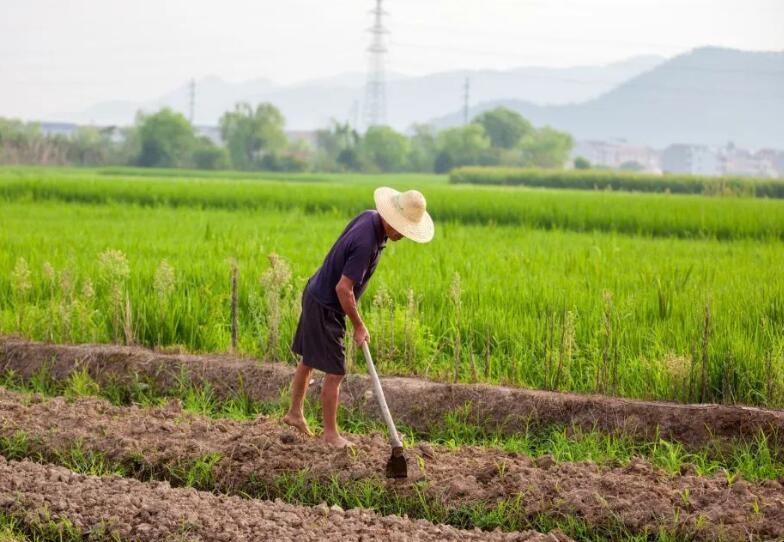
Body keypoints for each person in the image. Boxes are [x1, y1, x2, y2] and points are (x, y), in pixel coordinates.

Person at [283, 187, 434, 447]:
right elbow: (343, 288)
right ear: (391, 218)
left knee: (309, 359)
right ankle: (330, 435)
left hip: (315, 292)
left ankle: (295, 413)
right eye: (402, 229)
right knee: (336, 372)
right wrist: (359, 325)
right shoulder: (367, 243)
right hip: (326, 306)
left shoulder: (369, 218)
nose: (402, 235)